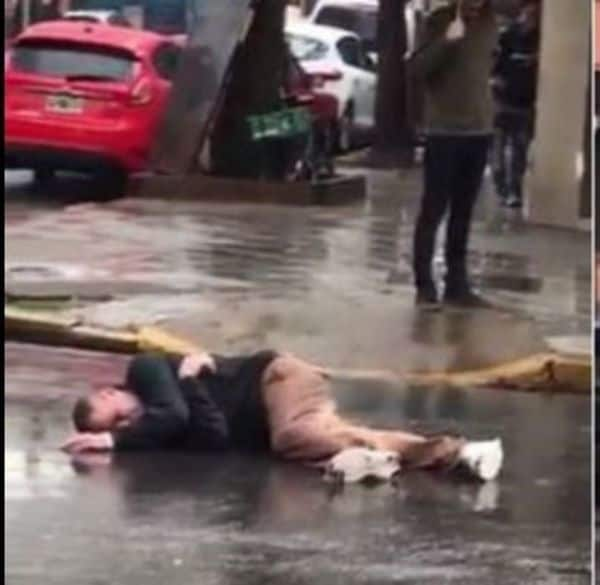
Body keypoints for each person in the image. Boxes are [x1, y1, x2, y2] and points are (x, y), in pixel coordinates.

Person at [62, 350, 503, 482]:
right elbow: (214, 438)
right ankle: (455, 452)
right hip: (279, 405)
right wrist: (194, 384)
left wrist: (115, 443)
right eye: (116, 427)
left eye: (115, 414)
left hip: (276, 378)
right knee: (319, 436)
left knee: (293, 439)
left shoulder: (144, 371)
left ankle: (388, 454)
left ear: (110, 391)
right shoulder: (160, 424)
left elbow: (174, 414)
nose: (125, 423)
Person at [411, 0, 497, 308]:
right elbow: (417, 68)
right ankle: (424, 286)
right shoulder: (438, 21)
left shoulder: (490, 22)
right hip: (444, 132)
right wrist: (447, 42)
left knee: (464, 212)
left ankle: (457, 284)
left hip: (479, 130)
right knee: (433, 210)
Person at [491, 0, 540, 209]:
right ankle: (502, 187)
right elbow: (493, 63)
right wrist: (494, 78)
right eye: (529, 12)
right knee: (499, 151)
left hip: (525, 102)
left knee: (519, 150)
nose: (531, 17)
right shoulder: (508, 36)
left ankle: (513, 191)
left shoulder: (541, 37)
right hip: (503, 100)